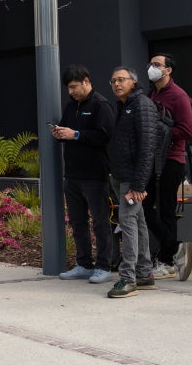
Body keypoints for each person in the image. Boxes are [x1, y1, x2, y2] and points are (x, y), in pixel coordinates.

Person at [53, 64, 116, 285]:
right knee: (77, 222)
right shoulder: (71, 106)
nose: (71, 92)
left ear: (87, 82)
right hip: (72, 174)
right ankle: (84, 264)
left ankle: (104, 266)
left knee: (100, 222)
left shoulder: (101, 105)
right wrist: (59, 132)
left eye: (74, 87)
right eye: (68, 88)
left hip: (95, 175)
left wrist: (76, 134)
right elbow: (66, 129)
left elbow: (105, 136)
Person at [106, 66, 162, 297]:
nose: (117, 84)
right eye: (113, 81)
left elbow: (148, 148)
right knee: (138, 222)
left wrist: (138, 185)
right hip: (122, 175)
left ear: (134, 82)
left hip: (132, 178)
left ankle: (128, 278)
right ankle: (144, 273)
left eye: (121, 79)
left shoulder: (142, 105)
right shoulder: (124, 105)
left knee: (127, 223)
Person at [144, 53, 192, 280]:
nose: (152, 68)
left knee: (166, 210)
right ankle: (175, 248)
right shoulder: (152, 93)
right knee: (145, 206)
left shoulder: (178, 96)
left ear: (168, 70)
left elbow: (188, 131)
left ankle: (166, 261)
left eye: (157, 64)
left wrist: (162, 132)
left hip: (172, 160)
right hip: (153, 160)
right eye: (151, 64)